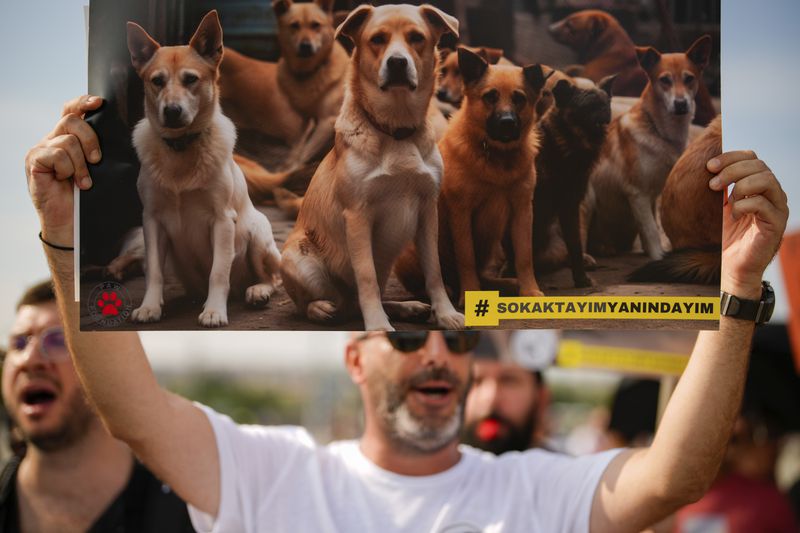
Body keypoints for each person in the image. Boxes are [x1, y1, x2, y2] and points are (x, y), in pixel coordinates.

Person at [24, 94, 789, 532]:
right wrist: (64, 237)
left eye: (459, 344)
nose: (441, 355)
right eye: (413, 333)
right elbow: (131, 412)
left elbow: (676, 477)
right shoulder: (273, 473)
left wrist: (739, 285)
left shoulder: (530, 490)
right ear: (355, 356)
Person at [0, 280, 194, 532]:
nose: (30, 360)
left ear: (110, 365)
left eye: (58, 340)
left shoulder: (188, 514)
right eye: (19, 343)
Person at [463, 330, 555, 454]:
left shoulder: (566, 471)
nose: (490, 398)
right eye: (475, 381)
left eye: (508, 381)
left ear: (541, 398)